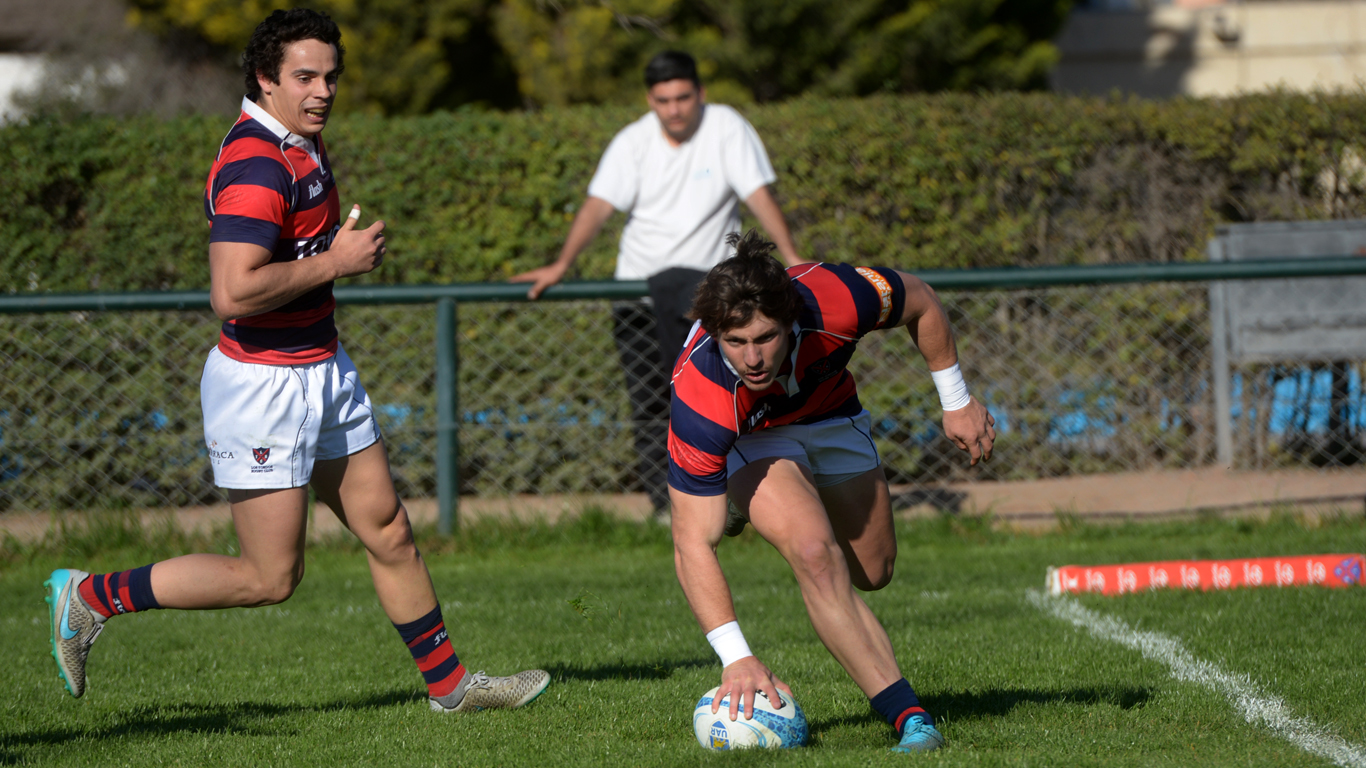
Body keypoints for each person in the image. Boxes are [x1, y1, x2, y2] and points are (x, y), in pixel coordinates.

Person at [43, 8, 548, 714]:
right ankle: (91, 597)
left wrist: (327, 263)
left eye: (331, 77)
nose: (323, 92)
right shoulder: (256, 160)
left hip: (323, 367)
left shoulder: (301, 143)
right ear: (265, 79)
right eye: (305, 77)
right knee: (269, 578)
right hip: (264, 387)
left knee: (389, 529)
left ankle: (451, 688)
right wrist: (336, 262)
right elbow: (233, 292)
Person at [668, 230, 996, 753]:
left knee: (873, 571)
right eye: (735, 342)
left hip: (832, 415)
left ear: (790, 319)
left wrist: (956, 398)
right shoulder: (701, 396)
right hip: (752, 438)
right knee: (815, 552)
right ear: (714, 333)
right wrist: (737, 656)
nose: (752, 358)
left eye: (766, 338)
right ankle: (910, 717)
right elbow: (691, 544)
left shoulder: (834, 296)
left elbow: (922, 300)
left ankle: (736, 499)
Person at [512, 50, 803, 519]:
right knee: (649, 397)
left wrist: (792, 259)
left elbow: (758, 195)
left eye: (683, 97)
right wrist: (561, 264)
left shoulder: (727, 126)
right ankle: (664, 504)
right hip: (639, 295)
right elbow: (598, 205)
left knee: (725, 396)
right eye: (663, 99)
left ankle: (740, 497)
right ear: (650, 99)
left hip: (713, 303)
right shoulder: (632, 142)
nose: (674, 109)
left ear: (700, 93)